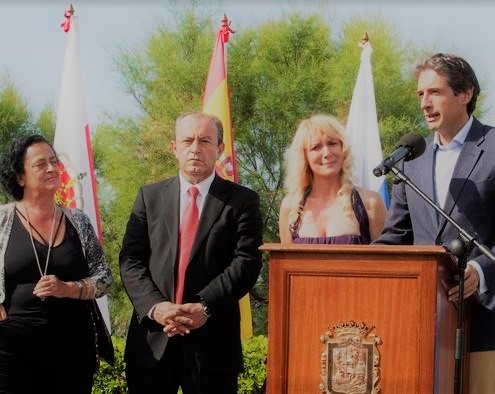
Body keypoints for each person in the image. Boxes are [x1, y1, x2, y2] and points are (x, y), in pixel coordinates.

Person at [374, 53, 495, 393]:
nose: (425, 103)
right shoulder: (411, 162)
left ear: (465, 93)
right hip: (421, 331)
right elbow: (395, 237)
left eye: (434, 92)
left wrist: (480, 271)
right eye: (420, 95)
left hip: (485, 325)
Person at [119, 111, 263, 394]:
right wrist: (156, 307)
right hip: (153, 341)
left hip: (213, 343)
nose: (195, 149)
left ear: (220, 148)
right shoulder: (149, 197)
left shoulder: (242, 201)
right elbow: (130, 260)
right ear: (174, 148)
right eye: (187, 141)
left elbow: (246, 262)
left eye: (205, 141)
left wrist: (204, 307)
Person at [0, 134, 113, 393]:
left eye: (54, 162)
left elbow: (104, 277)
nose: (52, 168)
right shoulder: (2, 220)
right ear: (20, 177)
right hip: (10, 351)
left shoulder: (78, 221)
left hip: (73, 349)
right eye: (41, 164)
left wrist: (69, 288)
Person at [279, 113, 387, 244]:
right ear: (304, 157)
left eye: (332, 143)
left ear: (343, 149)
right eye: (316, 147)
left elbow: (386, 261)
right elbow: (284, 262)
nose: (327, 153)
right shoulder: (290, 207)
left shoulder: (370, 203)